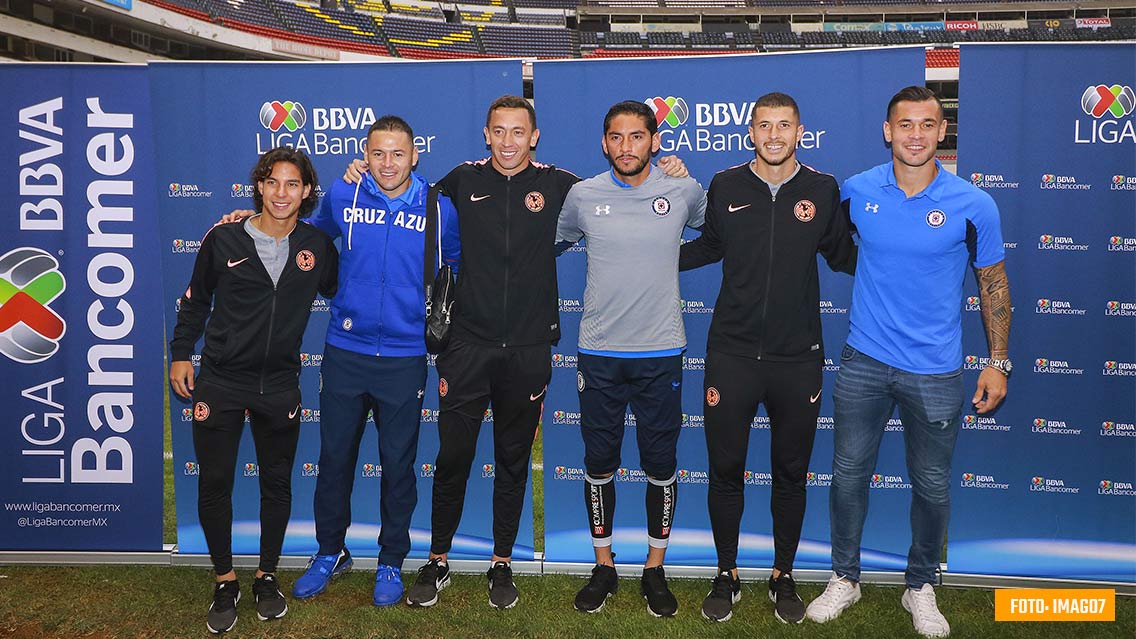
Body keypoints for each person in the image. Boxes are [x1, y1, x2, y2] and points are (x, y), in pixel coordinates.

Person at [344, 96, 686, 611]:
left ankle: (502, 563)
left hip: (528, 350)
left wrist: (669, 167)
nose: (508, 141)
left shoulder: (562, 187)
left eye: (518, 131)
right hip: (466, 347)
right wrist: (359, 174)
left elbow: (622, 189)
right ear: (486, 135)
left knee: (511, 460)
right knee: (453, 458)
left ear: (535, 136)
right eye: (499, 131)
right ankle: (437, 560)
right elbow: (403, 197)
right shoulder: (458, 182)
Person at [805, 86, 1012, 639]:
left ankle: (919, 585)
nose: (915, 134)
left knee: (933, 486)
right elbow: (823, 238)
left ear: (942, 132)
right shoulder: (855, 191)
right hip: (864, 361)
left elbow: (992, 282)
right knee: (848, 475)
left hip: (937, 370)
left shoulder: (974, 204)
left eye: (927, 124)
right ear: (887, 131)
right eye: (905, 124)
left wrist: (998, 362)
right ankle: (843, 576)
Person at [679, 92, 856, 624]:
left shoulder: (823, 190)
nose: (774, 135)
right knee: (725, 469)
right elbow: (706, 246)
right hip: (731, 354)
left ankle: (783, 575)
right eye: (764, 126)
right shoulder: (727, 184)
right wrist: (639, 253)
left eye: (784, 126)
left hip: (797, 358)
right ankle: (726, 574)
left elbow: (848, 256)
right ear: (750, 132)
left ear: (800, 131)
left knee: (791, 472)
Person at [287, 116, 461, 608]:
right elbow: (303, 237)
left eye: (398, 154)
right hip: (346, 352)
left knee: (398, 465)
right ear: (366, 154)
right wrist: (246, 217)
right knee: (335, 460)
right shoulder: (344, 196)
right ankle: (329, 552)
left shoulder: (439, 208)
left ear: (415, 156)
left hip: (405, 357)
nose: (388, 164)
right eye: (379, 154)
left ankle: (390, 560)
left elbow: (456, 269)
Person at [170, 147, 338, 633]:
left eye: (292, 184)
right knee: (216, 481)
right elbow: (194, 302)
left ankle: (266, 575)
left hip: (280, 386)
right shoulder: (223, 238)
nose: (281, 193)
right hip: (220, 382)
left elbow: (341, 286)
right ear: (259, 187)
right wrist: (182, 352)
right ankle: (225, 579)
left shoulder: (317, 247)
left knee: (276, 483)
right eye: (272, 183)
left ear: (307, 192)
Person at [556, 100, 706, 618]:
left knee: (660, 465)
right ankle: (604, 565)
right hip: (598, 354)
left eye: (637, 137)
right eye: (616, 137)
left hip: (661, 352)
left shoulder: (683, 190)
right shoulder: (581, 195)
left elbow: (716, 229)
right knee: (599, 463)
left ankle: (654, 569)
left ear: (655, 141)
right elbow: (547, 243)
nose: (626, 147)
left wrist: (686, 174)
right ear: (605, 143)